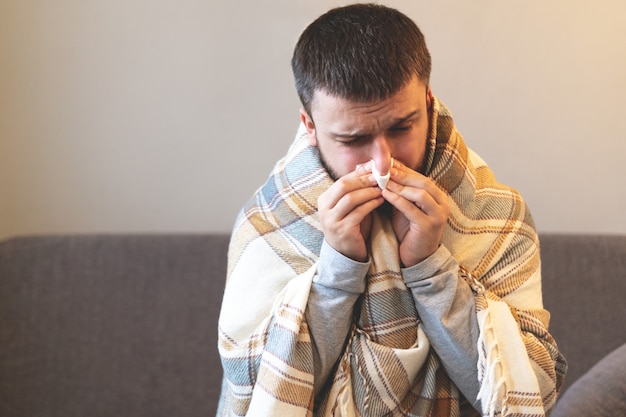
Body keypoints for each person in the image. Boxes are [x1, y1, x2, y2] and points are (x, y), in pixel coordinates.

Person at [217, 4, 566, 416]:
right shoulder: (269, 223)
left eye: (401, 127)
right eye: (352, 140)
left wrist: (431, 269)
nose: (382, 163)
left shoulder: (497, 212)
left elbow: (533, 390)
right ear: (309, 126)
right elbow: (252, 394)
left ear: (429, 102)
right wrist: (337, 272)